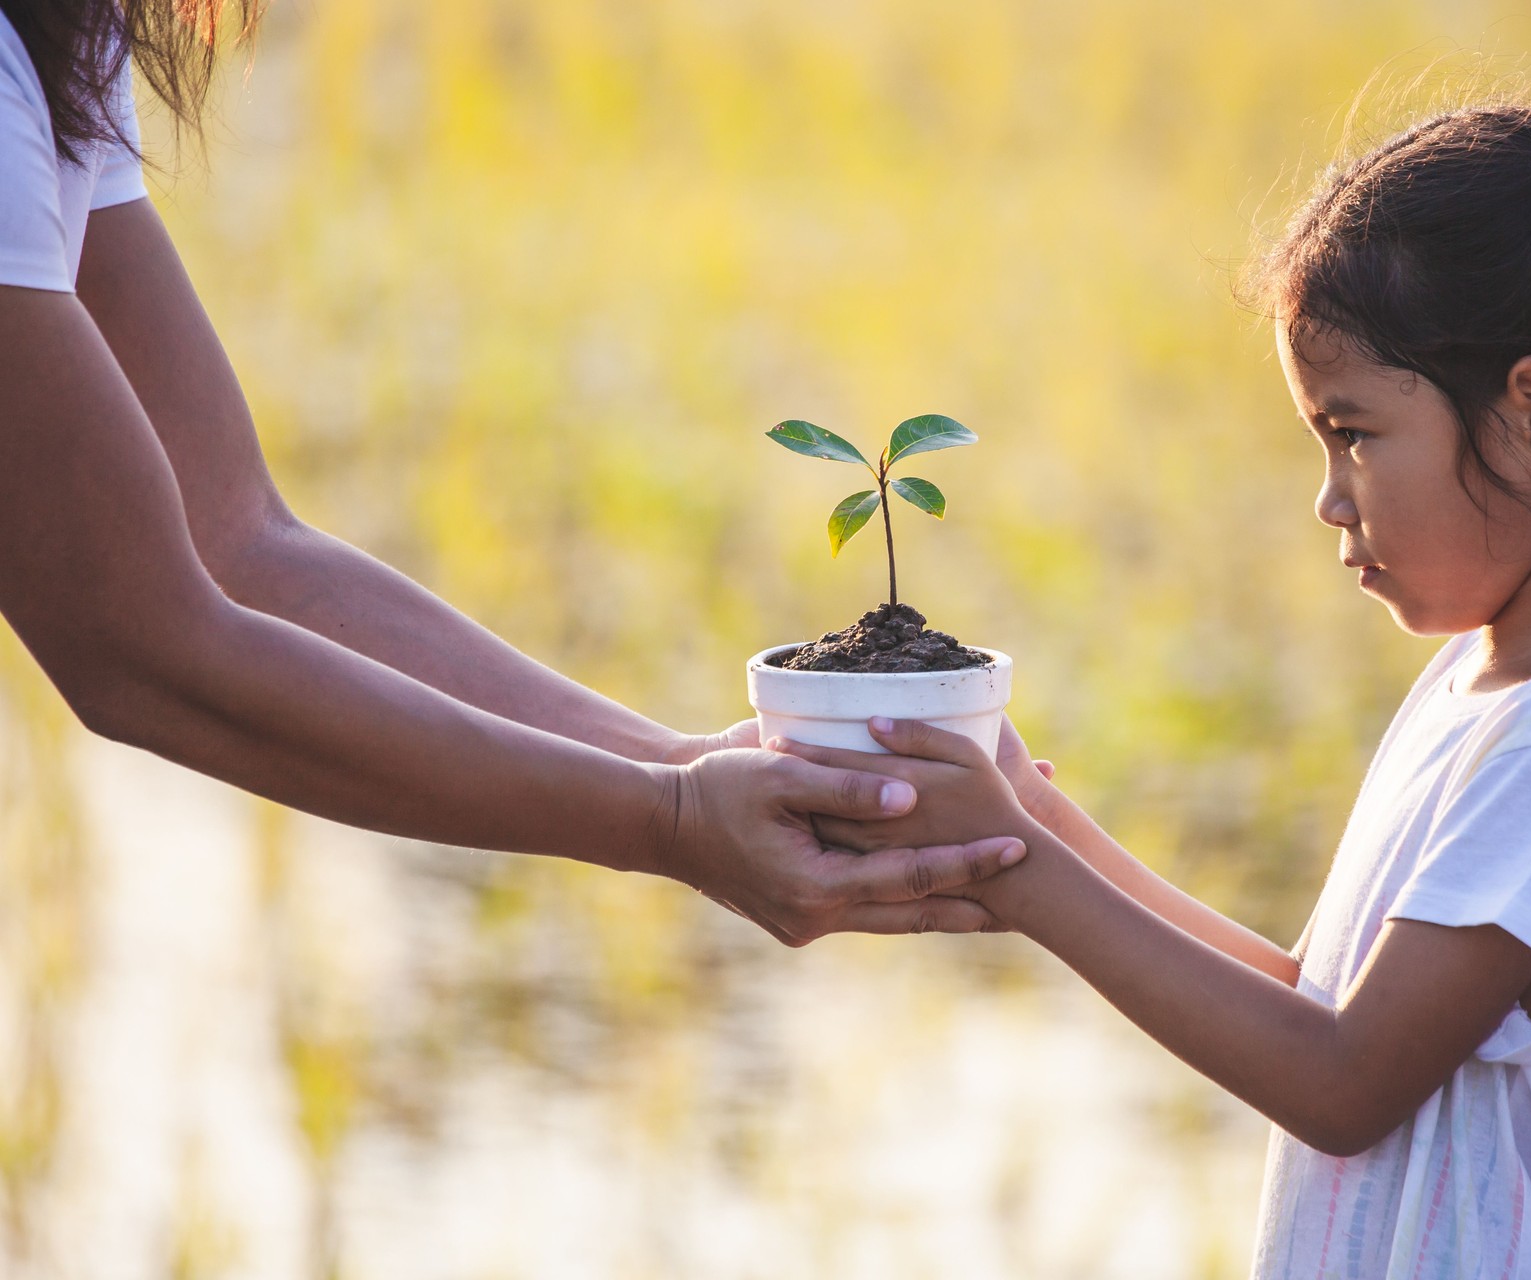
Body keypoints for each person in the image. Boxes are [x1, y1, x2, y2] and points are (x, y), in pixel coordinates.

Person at [781, 105, 1531, 1278]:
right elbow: (1317, 997)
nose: (1330, 498)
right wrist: (1031, 811)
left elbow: (1342, 1079)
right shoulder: (1489, 690)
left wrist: (1022, 875)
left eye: (1353, 433)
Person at [0, 0, 1027, 944]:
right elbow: (137, 645)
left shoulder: (66, 32)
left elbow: (237, 539)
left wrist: (676, 765)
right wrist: (669, 822)